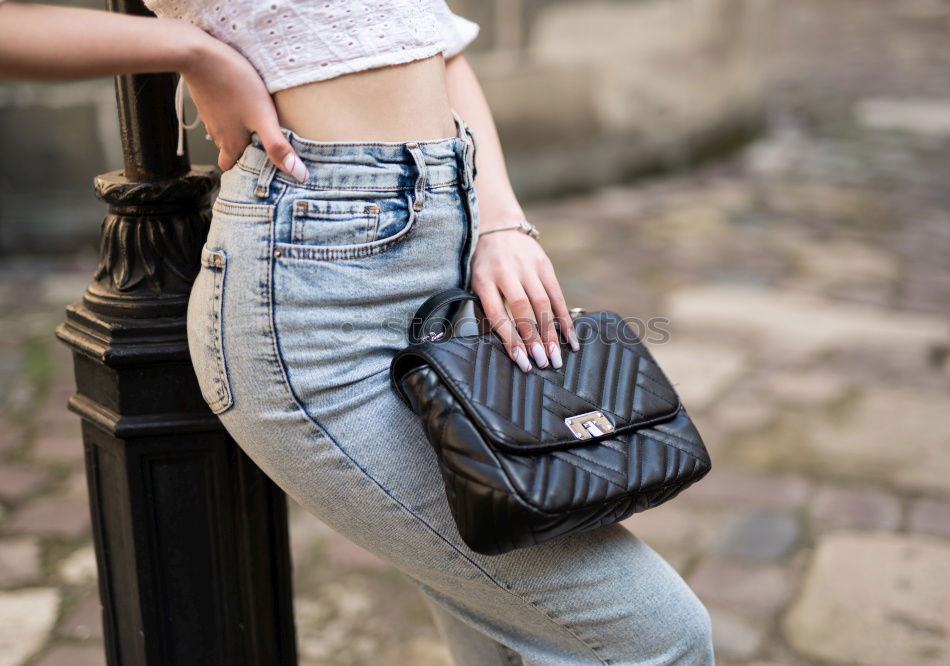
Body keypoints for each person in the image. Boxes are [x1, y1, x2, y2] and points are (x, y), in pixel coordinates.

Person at [0, 2, 714, 663]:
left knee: (509, 639)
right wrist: (190, 50)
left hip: (451, 253)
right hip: (312, 299)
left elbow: (436, 45)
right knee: (656, 637)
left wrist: (499, 220)